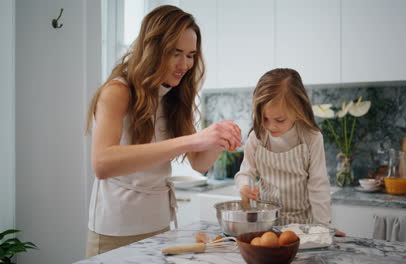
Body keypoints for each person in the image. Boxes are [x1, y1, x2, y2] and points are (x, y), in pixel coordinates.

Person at [84, 5, 241, 257]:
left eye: (191, 54)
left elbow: (199, 164)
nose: (185, 64)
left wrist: (218, 139)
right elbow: (102, 164)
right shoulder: (117, 91)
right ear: (153, 48)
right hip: (115, 228)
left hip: (160, 226)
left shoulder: (174, 97)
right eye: (175, 53)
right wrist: (191, 140)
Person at [235, 68, 331, 226]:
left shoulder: (311, 137)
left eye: (280, 120)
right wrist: (244, 185)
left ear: (298, 109)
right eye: (265, 118)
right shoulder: (258, 136)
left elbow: (318, 185)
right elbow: (245, 172)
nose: (271, 126)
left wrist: (323, 227)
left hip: (301, 225)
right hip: (265, 223)